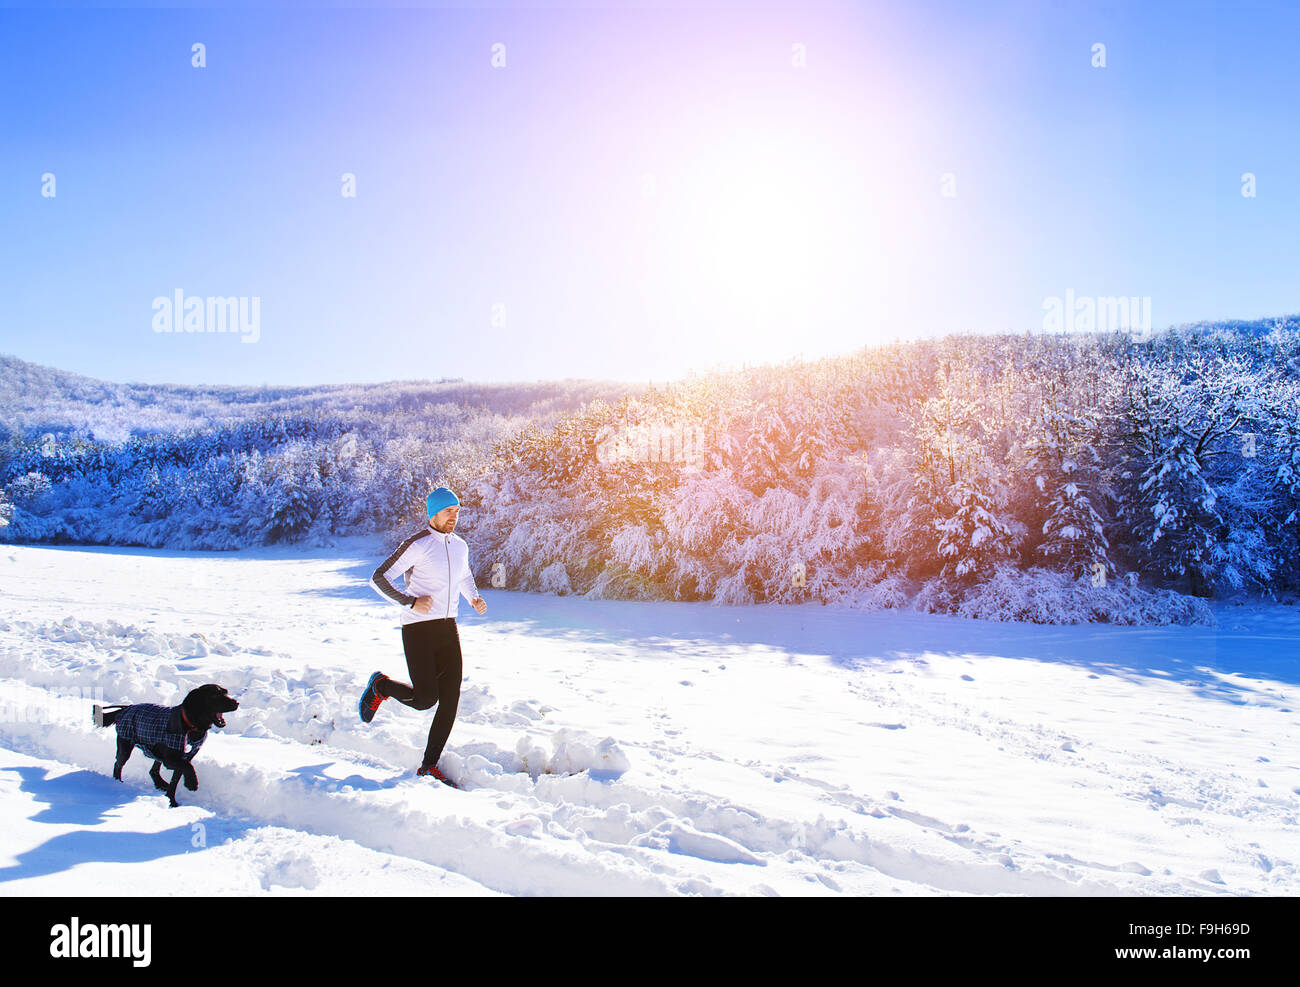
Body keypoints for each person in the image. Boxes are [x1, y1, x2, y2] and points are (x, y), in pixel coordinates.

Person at [359, 486, 487, 786]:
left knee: (451, 698)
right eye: (448, 511)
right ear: (434, 513)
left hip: (448, 627)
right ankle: (381, 686)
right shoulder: (417, 544)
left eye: (457, 511)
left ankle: (429, 765)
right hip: (418, 629)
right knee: (425, 699)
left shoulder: (460, 546)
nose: (454, 517)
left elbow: (464, 575)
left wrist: (473, 597)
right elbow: (378, 578)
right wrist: (409, 601)